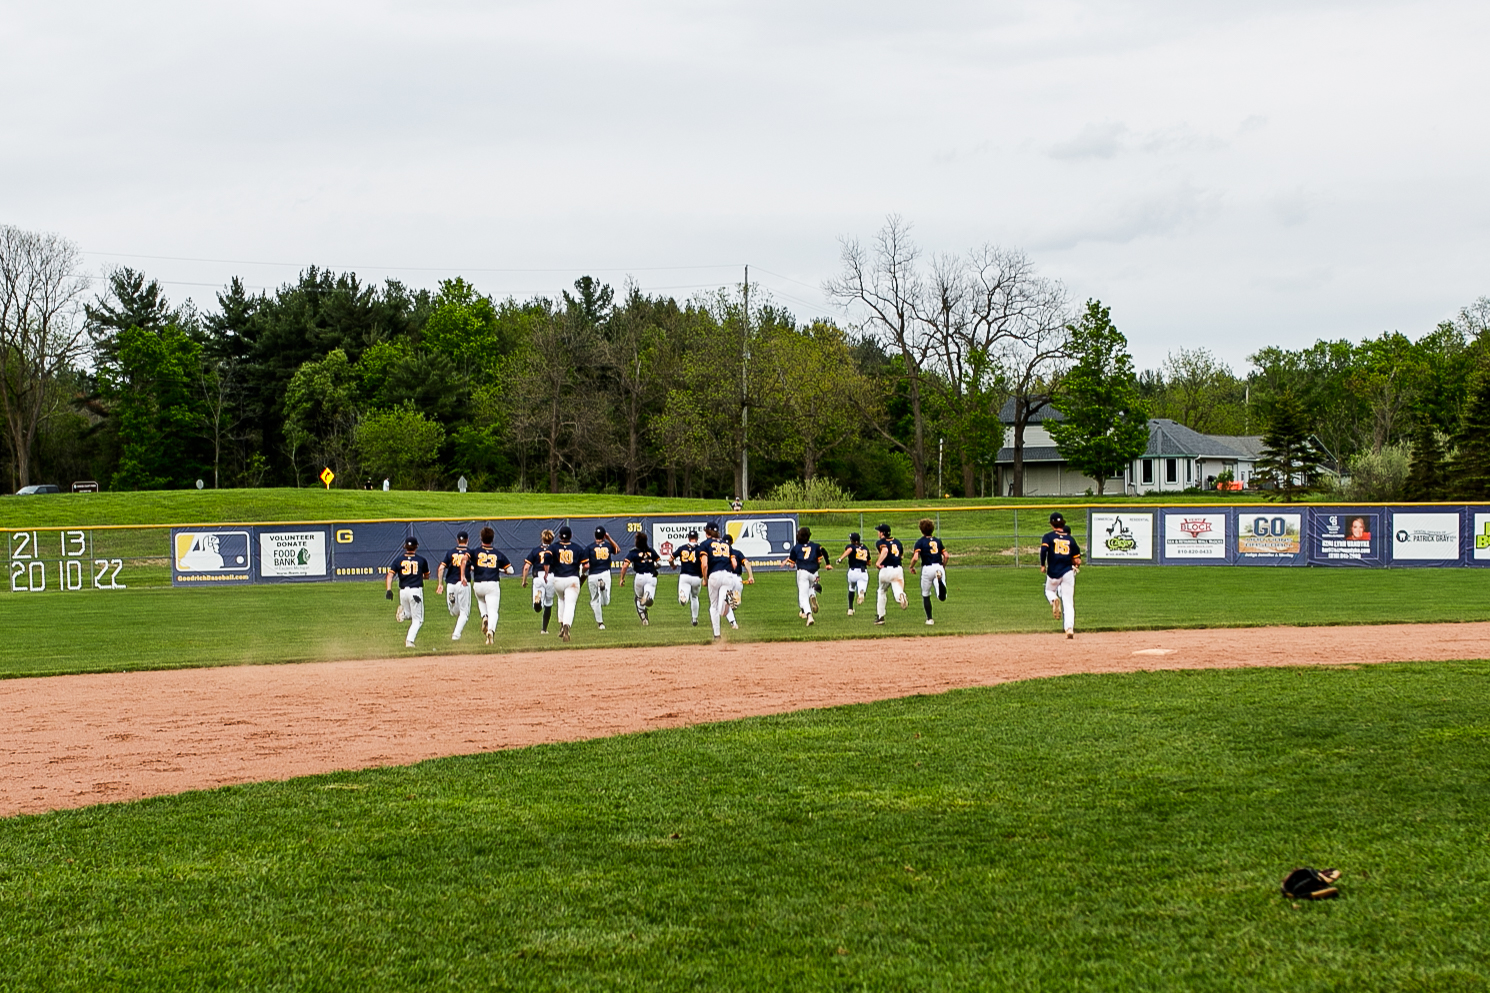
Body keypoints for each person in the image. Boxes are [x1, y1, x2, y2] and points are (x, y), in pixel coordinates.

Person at [1040, 511, 1082, 640]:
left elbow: (1043, 550)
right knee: (1068, 602)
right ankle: (1069, 628)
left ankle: (1053, 600)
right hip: (1068, 572)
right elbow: (1077, 560)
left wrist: (1042, 565)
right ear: (1062, 523)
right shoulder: (1070, 539)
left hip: (1053, 572)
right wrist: (1076, 563)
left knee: (1049, 590)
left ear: (1052, 524)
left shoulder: (1048, 537)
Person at [469, 526, 514, 645]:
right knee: (493, 611)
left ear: (481, 538)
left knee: (481, 601)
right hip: (492, 584)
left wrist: (474, 567)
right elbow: (511, 571)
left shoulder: (475, 552)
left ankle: (484, 616)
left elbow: (467, 564)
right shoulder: (498, 554)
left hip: (478, 584)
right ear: (492, 539)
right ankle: (491, 630)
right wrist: (501, 569)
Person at [384, 536, 430, 648]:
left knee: (409, 614)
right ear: (416, 547)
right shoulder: (421, 560)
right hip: (415, 591)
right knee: (418, 620)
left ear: (405, 547)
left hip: (403, 592)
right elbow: (427, 576)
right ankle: (409, 641)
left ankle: (403, 614)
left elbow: (390, 575)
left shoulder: (398, 560)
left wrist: (389, 589)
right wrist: (418, 576)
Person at [782, 525, 831, 627]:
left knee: (803, 597)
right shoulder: (815, 546)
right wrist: (827, 563)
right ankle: (812, 594)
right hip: (814, 572)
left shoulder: (796, 548)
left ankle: (809, 615)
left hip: (803, 572)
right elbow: (823, 553)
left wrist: (789, 562)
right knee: (811, 587)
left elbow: (792, 564)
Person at [543, 525, 584, 643]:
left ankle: (561, 625)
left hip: (558, 580)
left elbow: (546, 557)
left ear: (559, 536)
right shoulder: (577, 548)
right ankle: (566, 626)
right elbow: (586, 565)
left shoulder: (553, 547)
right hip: (572, 578)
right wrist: (582, 573)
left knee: (561, 600)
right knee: (570, 604)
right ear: (571, 536)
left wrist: (546, 573)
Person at [908, 518, 950, 626]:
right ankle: (939, 581)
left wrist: (911, 566)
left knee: (926, 594)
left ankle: (930, 619)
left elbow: (916, 558)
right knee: (942, 597)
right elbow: (946, 555)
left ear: (921, 530)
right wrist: (943, 566)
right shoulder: (937, 541)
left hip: (927, 569)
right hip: (938, 567)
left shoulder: (920, 542)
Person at [698, 521, 735, 641]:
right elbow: (734, 564)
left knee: (713, 607)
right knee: (722, 607)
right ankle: (726, 601)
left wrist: (705, 579)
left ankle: (717, 635)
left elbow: (704, 565)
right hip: (728, 575)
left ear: (707, 532)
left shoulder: (705, 544)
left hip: (714, 574)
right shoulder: (726, 544)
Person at [435, 531, 474, 641]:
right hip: (463, 583)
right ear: (468, 540)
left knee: (453, 612)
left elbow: (441, 568)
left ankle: (453, 600)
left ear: (457, 540)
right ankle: (456, 635)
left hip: (450, 584)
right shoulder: (470, 553)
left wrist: (440, 584)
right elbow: (472, 567)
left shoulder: (450, 552)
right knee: (464, 613)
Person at [618, 532, 660, 625]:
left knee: (638, 599)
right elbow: (658, 562)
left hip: (639, 577)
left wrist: (622, 578)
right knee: (649, 600)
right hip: (651, 576)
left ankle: (644, 618)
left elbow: (625, 566)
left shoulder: (633, 552)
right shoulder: (651, 551)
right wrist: (654, 565)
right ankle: (647, 595)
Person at [583, 526, 621, 630]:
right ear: (604, 536)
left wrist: (582, 573)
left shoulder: (589, 548)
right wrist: (609, 538)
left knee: (595, 600)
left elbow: (586, 566)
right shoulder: (608, 546)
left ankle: (600, 624)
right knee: (605, 602)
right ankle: (603, 590)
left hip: (593, 575)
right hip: (605, 573)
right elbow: (617, 550)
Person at [520, 528, 557, 635]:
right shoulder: (554, 550)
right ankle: (544, 629)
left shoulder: (536, 550)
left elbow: (526, 567)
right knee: (549, 604)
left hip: (538, 577)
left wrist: (524, 581)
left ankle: (538, 600)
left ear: (542, 538)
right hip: (550, 576)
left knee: (537, 608)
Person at [873, 523, 909, 625]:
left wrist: (878, 562)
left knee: (881, 591)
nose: (878, 533)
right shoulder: (897, 542)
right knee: (898, 589)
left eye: (879, 531)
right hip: (898, 569)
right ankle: (901, 596)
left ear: (882, 533)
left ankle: (880, 617)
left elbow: (885, 551)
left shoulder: (881, 542)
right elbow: (901, 557)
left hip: (886, 570)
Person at [671, 528, 703, 627]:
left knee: (683, 600)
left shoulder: (682, 548)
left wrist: (673, 565)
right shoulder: (701, 549)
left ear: (688, 538)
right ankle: (694, 619)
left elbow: (670, 558)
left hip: (685, 575)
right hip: (697, 577)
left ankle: (683, 597)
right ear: (697, 538)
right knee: (695, 597)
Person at [723, 532, 754, 629]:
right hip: (738, 579)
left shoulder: (721, 554)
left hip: (726, 578)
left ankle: (733, 623)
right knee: (732, 602)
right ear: (732, 542)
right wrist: (750, 576)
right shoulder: (737, 553)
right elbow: (747, 563)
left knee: (725, 602)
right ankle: (736, 599)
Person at [836, 531, 872, 616]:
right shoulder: (865, 548)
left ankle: (850, 609)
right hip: (863, 571)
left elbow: (850, 550)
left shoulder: (851, 546)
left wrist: (840, 559)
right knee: (862, 587)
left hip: (852, 571)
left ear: (853, 541)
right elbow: (869, 562)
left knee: (851, 588)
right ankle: (861, 593)